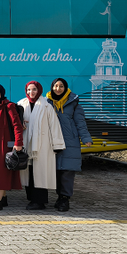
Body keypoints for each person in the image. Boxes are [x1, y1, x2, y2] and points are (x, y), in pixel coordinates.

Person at [46, 78, 92, 212]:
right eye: (56, 86)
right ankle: (59, 196)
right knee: (56, 172)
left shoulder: (73, 102)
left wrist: (85, 138)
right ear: (52, 87)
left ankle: (64, 199)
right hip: (51, 141)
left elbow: (80, 122)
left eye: (61, 86)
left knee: (67, 171)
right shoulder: (46, 102)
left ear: (65, 88)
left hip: (69, 141)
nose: (58, 89)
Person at [18, 81, 66, 210]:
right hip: (27, 144)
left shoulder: (46, 106)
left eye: (34, 89)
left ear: (39, 90)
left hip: (42, 146)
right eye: (28, 90)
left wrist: (57, 144)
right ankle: (31, 198)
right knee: (28, 172)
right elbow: (15, 122)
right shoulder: (21, 104)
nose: (31, 92)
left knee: (40, 173)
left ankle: (39, 201)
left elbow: (54, 126)